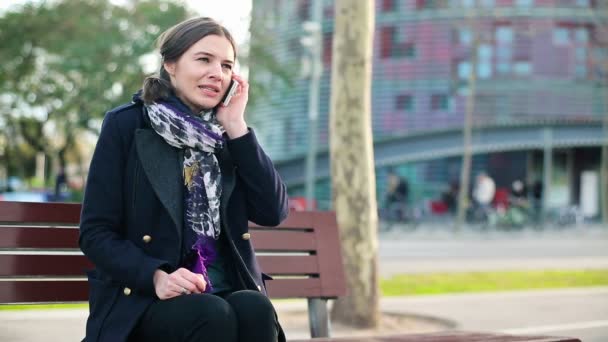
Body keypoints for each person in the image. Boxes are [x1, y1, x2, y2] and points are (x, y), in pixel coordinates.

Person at [79, 17, 288, 342]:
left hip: (221, 291)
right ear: (171, 64)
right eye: (203, 59)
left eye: (226, 65)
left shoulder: (226, 137)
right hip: (145, 299)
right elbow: (95, 233)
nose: (217, 73)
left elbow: (272, 212)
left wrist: (236, 127)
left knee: (255, 307)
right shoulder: (127, 126)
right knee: (209, 313)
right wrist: (156, 276)